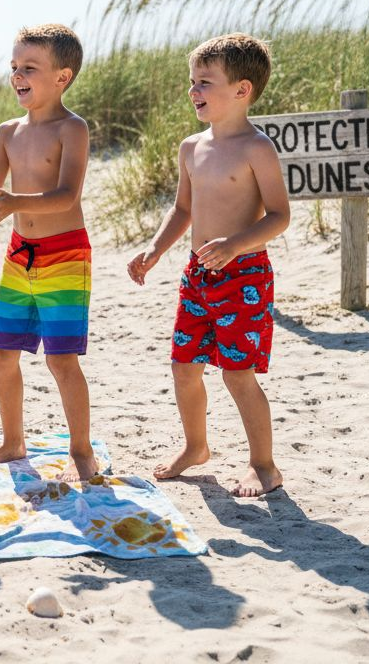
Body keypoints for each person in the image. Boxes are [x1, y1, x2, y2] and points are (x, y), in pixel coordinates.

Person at [126, 33, 289, 498]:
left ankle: (264, 465)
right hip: (198, 275)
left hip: (244, 277)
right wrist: (155, 250)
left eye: (205, 82)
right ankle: (196, 447)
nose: (194, 90)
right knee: (184, 366)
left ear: (242, 90)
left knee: (237, 373)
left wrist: (237, 244)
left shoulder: (257, 148)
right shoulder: (190, 147)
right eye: (192, 81)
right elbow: (182, 210)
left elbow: (280, 215)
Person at [0, 24, 97, 483]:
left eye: (29, 68)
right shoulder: (8, 132)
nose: (17, 76)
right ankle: (13, 441)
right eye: (14, 67)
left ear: (62, 77)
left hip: (65, 254)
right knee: (1, 352)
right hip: (19, 254)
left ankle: (81, 450)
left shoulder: (72, 128)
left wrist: (14, 203)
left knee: (61, 360)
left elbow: (67, 195)